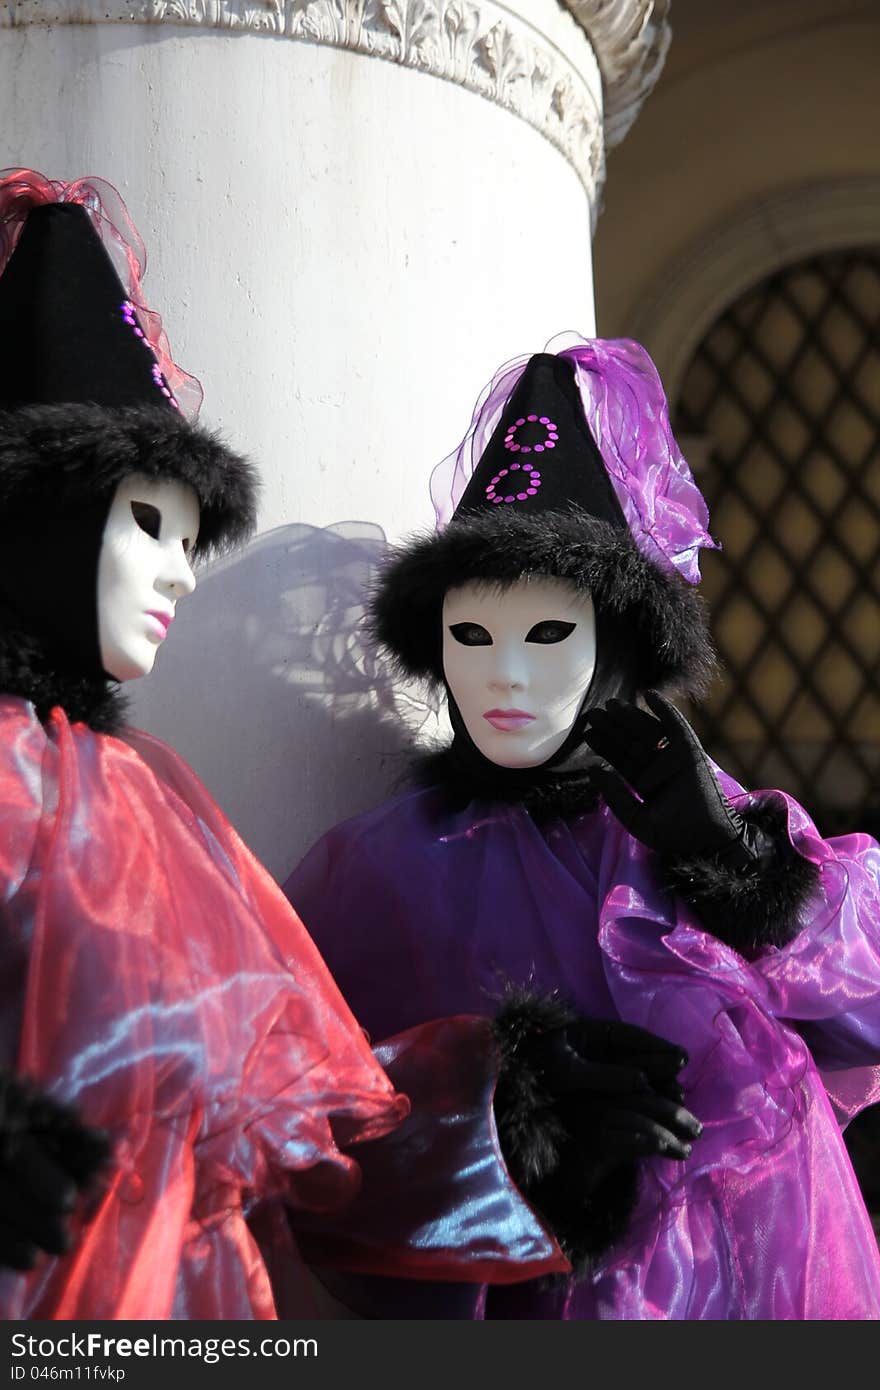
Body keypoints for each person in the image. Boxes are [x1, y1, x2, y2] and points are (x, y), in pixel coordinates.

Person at [0, 170, 573, 1318]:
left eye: (187, 529)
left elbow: (306, 1146)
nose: (178, 567)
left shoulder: (154, 803)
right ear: (40, 516)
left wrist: (512, 1115)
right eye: (144, 521)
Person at [283, 335, 880, 1319]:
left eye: (547, 632)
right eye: (469, 637)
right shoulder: (385, 871)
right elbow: (312, 1141)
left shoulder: (703, 821)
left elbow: (863, 1001)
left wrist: (732, 866)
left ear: (617, 643)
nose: (503, 675)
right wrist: (519, 1141)